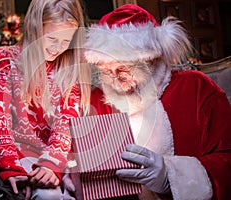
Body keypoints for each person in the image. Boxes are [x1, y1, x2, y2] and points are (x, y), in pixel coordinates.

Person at [85, 4, 231, 200]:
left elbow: (227, 160)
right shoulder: (97, 99)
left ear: (150, 60)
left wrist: (171, 177)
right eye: (105, 71)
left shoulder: (197, 88)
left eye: (123, 69)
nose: (115, 79)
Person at [0, 0, 91, 199]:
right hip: (21, 156)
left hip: (61, 158)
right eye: (51, 38)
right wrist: (12, 167)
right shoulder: (6, 59)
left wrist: (51, 164)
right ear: (35, 30)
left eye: (66, 41)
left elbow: (66, 122)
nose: (58, 48)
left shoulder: (70, 66)